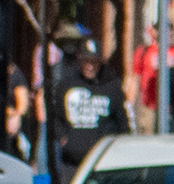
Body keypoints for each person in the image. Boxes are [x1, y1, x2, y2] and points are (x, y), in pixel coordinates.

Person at [49, 31, 131, 169]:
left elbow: (122, 121)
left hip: (102, 161)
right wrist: (63, 138)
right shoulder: (66, 85)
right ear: (80, 59)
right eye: (86, 61)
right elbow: (56, 117)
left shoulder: (112, 86)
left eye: (94, 62)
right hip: (72, 162)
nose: (90, 66)